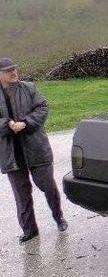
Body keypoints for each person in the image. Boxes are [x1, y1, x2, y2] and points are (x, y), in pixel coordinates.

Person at [0, 58, 68, 243]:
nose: (13, 72)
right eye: (8, 70)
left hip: (37, 149)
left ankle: (59, 217)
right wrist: (7, 124)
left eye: (14, 69)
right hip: (11, 155)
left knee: (47, 186)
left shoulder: (29, 88)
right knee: (21, 194)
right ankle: (29, 230)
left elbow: (43, 107)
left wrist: (26, 123)